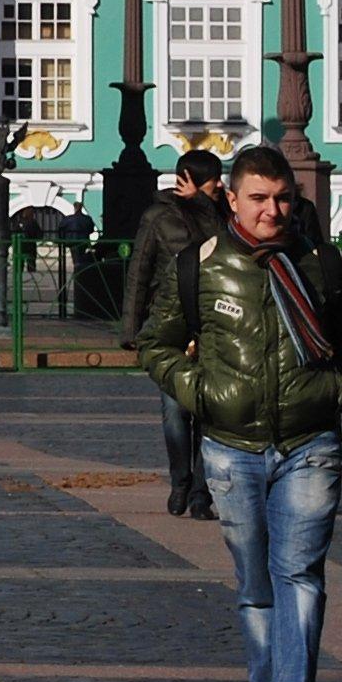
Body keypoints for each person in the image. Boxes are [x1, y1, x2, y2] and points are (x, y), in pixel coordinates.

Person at [141, 144, 342, 682]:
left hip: (308, 441)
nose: (273, 210)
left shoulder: (318, 262)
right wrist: (201, 392)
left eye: (284, 198)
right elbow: (156, 344)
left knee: (300, 576)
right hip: (230, 446)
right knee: (254, 584)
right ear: (232, 200)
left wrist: (337, 390)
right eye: (260, 199)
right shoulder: (199, 265)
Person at [122, 149, 229, 518]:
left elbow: (226, 249)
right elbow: (139, 272)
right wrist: (132, 330)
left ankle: (201, 493)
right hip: (172, 327)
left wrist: (203, 204)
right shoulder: (158, 216)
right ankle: (180, 480)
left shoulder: (221, 215)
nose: (222, 185)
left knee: (211, 414)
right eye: (215, 180)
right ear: (195, 179)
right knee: (174, 412)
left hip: (215, 325)